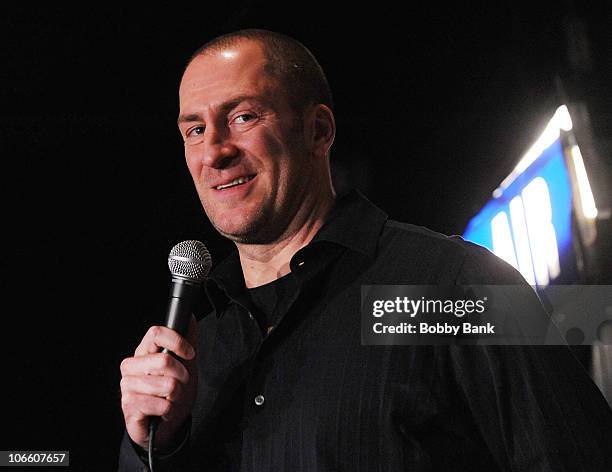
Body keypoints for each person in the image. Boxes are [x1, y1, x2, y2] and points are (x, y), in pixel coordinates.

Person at [118, 29, 612, 471]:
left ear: (319, 130)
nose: (214, 152)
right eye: (195, 130)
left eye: (243, 116)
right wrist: (150, 447)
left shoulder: (456, 286)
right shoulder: (201, 347)